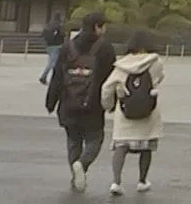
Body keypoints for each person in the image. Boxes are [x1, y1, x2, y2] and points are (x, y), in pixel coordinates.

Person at [45, 11, 115, 192]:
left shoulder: (67, 46)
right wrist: (111, 103)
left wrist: (51, 102)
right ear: (97, 27)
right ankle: (82, 166)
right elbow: (111, 79)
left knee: (73, 140)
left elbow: (57, 77)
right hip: (92, 104)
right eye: (103, 25)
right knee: (95, 139)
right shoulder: (105, 48)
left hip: (68, 103)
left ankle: (75, 177)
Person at [100, 31, 163, 195]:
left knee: (121, 146)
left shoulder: (121, 66)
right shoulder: (156, 62)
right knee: (146, 147)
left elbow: (106, 87)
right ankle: (142, 180)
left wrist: (108, 105)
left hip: (125, 111)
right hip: (148, 111)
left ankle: (116, 182)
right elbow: (160, 78)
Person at [39, 12, 67, 86]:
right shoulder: (59, 25)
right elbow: (63, 34)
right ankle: (45, 77)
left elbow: (43, 34)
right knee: (53, 63)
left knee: (51, 62)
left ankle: (45, 77)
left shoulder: (49, 24)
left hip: (49, 46)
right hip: (57, 45)